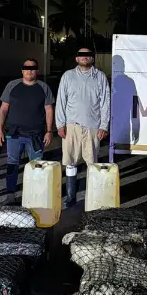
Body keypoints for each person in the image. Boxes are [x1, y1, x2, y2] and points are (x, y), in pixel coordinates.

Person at [55, 48, 111, 208]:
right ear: (76, 58)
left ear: (92, 58)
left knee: (92, 164)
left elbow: (105, 102)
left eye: (88, 55)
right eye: (81, 55)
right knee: (70, 162)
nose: (84, 57)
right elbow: (61, 100)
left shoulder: (100, 77)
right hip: (71, 126)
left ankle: (92, 197)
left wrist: (104, 125)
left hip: (92, 127)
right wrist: (60, 124)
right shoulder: (68, 76)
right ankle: (70, 196)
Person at [0, 58, 55, 204]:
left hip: (36, 135)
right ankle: (10, 195)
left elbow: (49, 110)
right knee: (12, 164)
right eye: (26, 68)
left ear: (37, 71)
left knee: (37, 166)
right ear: (22, 70)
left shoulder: (44, 87)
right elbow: (3, 109)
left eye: (32, 68)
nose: (29, 71)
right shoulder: (12, 86)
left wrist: (49, 131)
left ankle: (35, 197)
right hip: (14, 134)